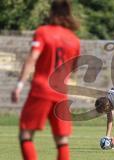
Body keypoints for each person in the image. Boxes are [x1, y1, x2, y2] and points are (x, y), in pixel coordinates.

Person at [11, 1, 80, 160]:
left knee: (26, 134)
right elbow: (73, 68)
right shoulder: (74, 39)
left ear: (52, 12)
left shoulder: (43, 32)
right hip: (61, 92)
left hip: (41, 90)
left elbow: (32, 58)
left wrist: (19, 84)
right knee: (62, 140)